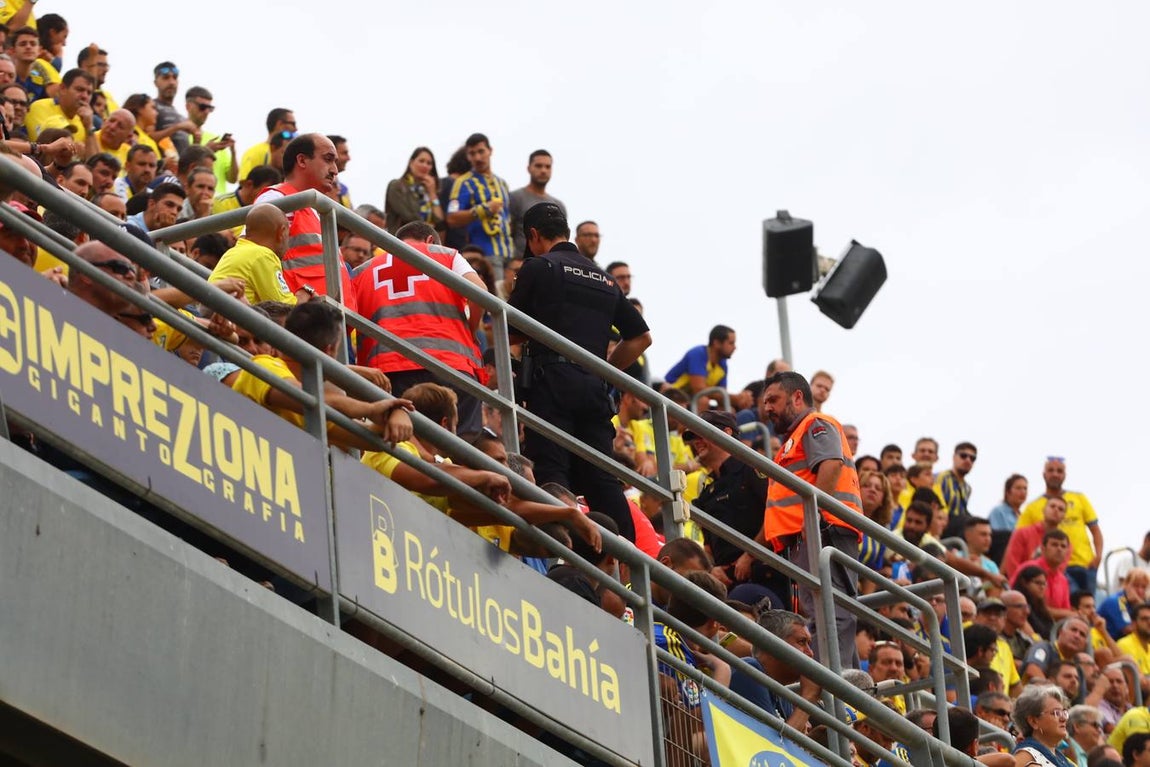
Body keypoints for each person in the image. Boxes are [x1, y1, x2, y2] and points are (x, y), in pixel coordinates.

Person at [507, 202, 650, 542]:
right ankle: (626, 566)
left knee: (553, 470)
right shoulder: (605, 278)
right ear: (569, 234)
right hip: (593, 389)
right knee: (602, 479)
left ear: (534, 236)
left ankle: (563, 555)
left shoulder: (538, 267)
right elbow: (642, 338)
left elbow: (508, 330)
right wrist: (603, 372)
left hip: (551, 382)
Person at [758, 370, 861, 667]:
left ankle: (833, 687)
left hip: (825, 531)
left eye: (774, 400)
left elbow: (830, 465)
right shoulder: (792, 440)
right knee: (820, 611)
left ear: (798, 397)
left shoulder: (815, 424)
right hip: (807, 535)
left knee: (831, 611)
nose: (767, 409)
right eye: (765, 403)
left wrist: (812, 517)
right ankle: (849, 686)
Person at [352, 220, 488, 437]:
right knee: (462, 444)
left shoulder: (363, 270)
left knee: (402, 443)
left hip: (386, 371)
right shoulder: (446, 255)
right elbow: (480, 292)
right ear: (430, 240)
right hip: (450, 365)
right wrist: (472, 330)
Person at [686, 409, 783, 607]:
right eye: (693, 437)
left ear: (727, 433)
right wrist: (712, 569)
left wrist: (749, 556)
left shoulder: (752, 466)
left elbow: (776, 515)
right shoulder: (707, 491)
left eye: (701, 433)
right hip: (726, 583)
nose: (696, 441)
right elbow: (708, 546)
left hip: (766, 577)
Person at [255, 133, 356, 310]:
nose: (335, 170)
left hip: (326, 321)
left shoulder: (315, 211)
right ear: (302, 161)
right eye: (328, 159)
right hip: (300, 318)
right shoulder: (278, 197)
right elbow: (254, 257)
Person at [1017, 457, 1103, 596]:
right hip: (1054, 567)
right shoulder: (1032, 507)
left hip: (1085, 564)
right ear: (1044, 474)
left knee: (1086, 606)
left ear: (1065, 475)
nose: (1055, 474)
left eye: (1059, 471)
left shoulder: (1079, 498)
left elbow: (1095, 530)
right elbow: (1019, 538)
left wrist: (1098, 556)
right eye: (1051, 470)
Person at [727, 609, 822, 731]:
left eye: (809, 644)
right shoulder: (749, 671)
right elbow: (772, 746)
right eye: (801, 642)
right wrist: (809, 697)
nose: (810, 653)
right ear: (772, 644)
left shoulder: (781, 692)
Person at [446, 132, 513, 267]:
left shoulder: (502, 183)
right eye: (472, 153)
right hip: (485, 256)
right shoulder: (462, 183)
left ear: (490, 151)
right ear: (467, 156)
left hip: (510, 255)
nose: (477, 157)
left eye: (481, 151)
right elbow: (452, 218)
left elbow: (508, 219)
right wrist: (484, 209)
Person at [207, 204, 295, 306]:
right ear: (282, 232)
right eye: (288, 235)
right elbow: (286, 309)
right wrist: (304, 295)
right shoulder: (263, 255)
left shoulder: (234, 251)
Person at [508, 149, 565, 258]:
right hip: (519, 261)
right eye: (538, 166)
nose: (543, 170)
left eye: (547, 167)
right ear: (529, 168)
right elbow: (508, 232)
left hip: (551, 263)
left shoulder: (558, 206)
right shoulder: (515, 198)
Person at [1012, 685, 1076, 767]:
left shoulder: (1062, 758)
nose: (1063, 718)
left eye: (1064, 712)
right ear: (1033, 721)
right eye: (1056, 713)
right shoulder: (1026, 755)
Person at [385, 146, 443, 235]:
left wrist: (432, 194)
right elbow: (409, 217)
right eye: (421, 161)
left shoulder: (428, 191)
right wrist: (429, 226)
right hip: (401, 240)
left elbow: (440, 222)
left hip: (424, 242)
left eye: (429, 163)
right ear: (411, 163)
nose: (425, 166)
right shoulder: (397, 186)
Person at [664, 324, 736, 395]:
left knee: (725, 406)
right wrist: (734, 398)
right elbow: (699, 389)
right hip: (670, 393)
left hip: (689, 400)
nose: (735, 347)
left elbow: (723, 395)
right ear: (717, 343)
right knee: (703, 401)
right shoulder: (698, 354)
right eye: (731, 343)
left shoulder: (723, 365)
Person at [239, 107, 295, 181]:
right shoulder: (254, 152)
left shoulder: (294, 151)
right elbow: (246, 184)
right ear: (280, 124)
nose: (295, 128)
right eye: (293, 124)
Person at [935, 441, 977, 536]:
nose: (968, 460)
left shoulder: (967, 488)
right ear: (954, 457)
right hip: (944, 522)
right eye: (963, 456)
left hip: (959, 525)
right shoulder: (942, 478)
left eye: (972, 458)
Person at [1099, 568, 1150, 639]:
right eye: (1136, 586)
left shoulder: (1140, 603)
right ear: (1126, 585)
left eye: (1143, 587)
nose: (1140, 591)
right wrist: (1140, 604)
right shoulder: (1119, 600)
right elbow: (1128, 630)